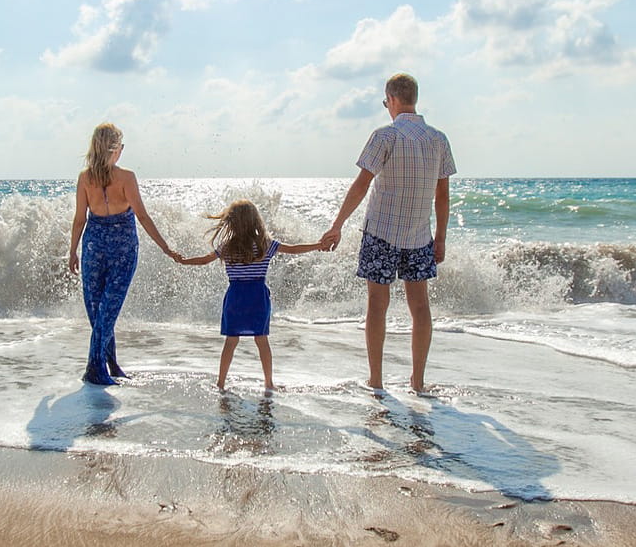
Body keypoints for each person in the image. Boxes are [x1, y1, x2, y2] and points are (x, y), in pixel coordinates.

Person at [320, 73, 456, 393]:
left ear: (392, 99)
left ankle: (376, 380)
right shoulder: (438, 139)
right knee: (420, 307)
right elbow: (443, 196)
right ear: (414, 99)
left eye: (386, 102)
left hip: (381, 233)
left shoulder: (385, 136)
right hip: (420, 236)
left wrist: (337, 224)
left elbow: (361, 185)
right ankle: (418, 382)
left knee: (377, 305)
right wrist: (441, 238)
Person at [173, 200, 326, 391]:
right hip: (257, 298)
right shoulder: (265, 244)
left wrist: (184, 261)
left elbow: (204, 261)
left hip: (235, 297)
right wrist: (318, 245)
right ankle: (269, 383)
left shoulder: (227, 246)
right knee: (261, 340)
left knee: (231, 341)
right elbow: (294, 249)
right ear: (255, 221)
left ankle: (221, 383)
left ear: (232, 223)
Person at [68, 123, 177, 386]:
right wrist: (165, 247)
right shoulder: (126, 177)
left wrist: (72, 251)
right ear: (116, 149)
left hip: (94, 245)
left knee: (101, 310)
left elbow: (79, 220)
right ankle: (95, 368)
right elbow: (141, 215)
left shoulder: (85, 178)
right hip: (122, 248)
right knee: (105, 311)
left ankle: (110, 364)